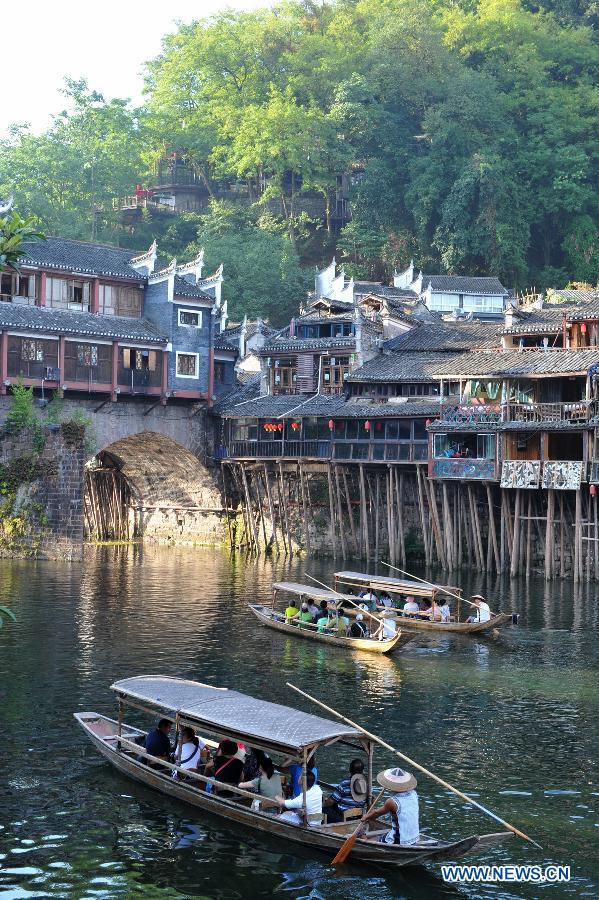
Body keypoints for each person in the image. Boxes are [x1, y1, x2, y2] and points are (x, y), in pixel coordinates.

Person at [362, 767, 420, 846]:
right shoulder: (414, 793)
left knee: (367, 841)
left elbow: (376, 814)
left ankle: (364, 839)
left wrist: (366, 817)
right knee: (382, 835)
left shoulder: (392, 801)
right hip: (415, 837)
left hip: (400, 840)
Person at [322, 759, 367, 823]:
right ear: (362, 771)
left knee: (324, 809)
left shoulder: (345, 783)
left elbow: (331, 801)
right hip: (358, 816)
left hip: (343, 817)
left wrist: (324, 806)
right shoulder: (366, 785)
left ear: (350, 770)